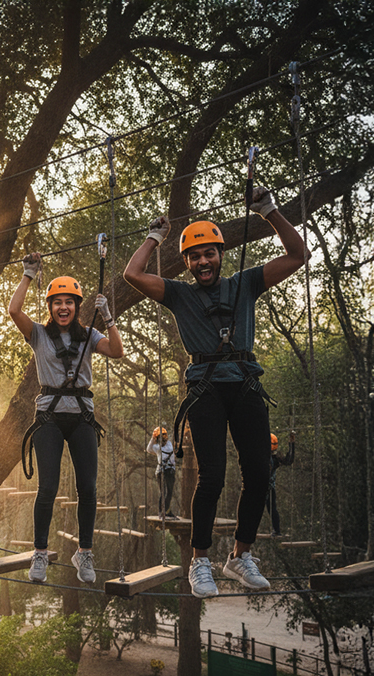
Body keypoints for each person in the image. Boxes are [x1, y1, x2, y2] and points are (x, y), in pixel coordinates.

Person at [123, 186, 308, 599]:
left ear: (221, 255)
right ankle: (200, 561)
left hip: (244, 383)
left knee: (260, 472)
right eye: (194, 255)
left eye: (209, 253)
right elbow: (132, 275)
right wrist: (154, 237)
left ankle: (240, 555)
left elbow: (298, 256)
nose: (203, 261)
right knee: (211, 477)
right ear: (186, 262)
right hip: (205, 388)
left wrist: (270, 212)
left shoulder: (246, 282)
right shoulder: (180, 293)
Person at [8, 254, 124, 584]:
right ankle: (40, 552)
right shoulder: (38, 335)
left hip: (82, 417)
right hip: (49, 417)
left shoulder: (89, 335)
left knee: (88, 487)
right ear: (50, 307)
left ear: (77, 306)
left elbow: (117, 352)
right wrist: (29, 274)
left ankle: (84, 553)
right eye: (57, 303)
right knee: (48, 487)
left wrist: (107, 316)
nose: (63, 308)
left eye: (68, 303)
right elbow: (14, 311)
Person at [267, 430, 296, 536]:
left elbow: (288, 460)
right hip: (268, 488)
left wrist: (292, 443)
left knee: (270, 509)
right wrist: (292, 443)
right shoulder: (275, 458)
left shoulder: (272, 458)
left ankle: (277, 530)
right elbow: (288, 460)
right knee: (272, 509)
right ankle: (276, 530)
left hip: (265, 488)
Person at [147, 427, 177, 518]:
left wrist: (154, 438)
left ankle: (166, 511)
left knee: (169, 492)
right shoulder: (157, 447)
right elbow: (148, 449)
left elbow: (150, 449)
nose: (163, 438)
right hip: (162, 471)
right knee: (164, 492)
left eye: (164, 436)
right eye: (161, 436)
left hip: (170, 470)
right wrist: (153, 438)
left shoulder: (168, 444)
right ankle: (161, 512)